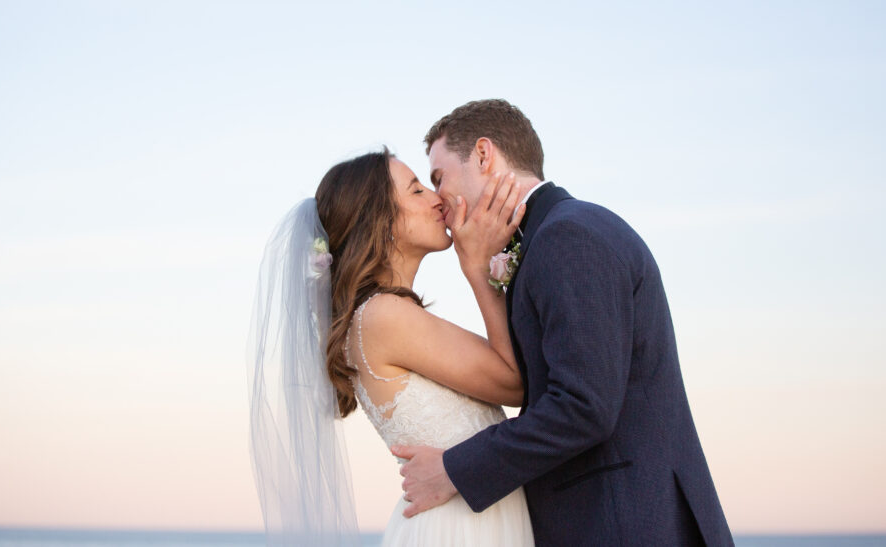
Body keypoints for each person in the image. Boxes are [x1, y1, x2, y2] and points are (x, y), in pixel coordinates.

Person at [394, 99, 734, 546]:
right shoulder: (552, 237)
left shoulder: (567, 236)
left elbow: (583, 407)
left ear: (483, 154)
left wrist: (454, 471)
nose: (438, 197)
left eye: (439, 177)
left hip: (624, 524)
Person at [247, 147, 536, 546]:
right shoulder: (383, 316)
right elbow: (514, 383)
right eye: (416, 190)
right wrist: (477, 265)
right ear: (379, 223)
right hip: (458, 531)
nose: (437, 199)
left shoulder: (377, 316)